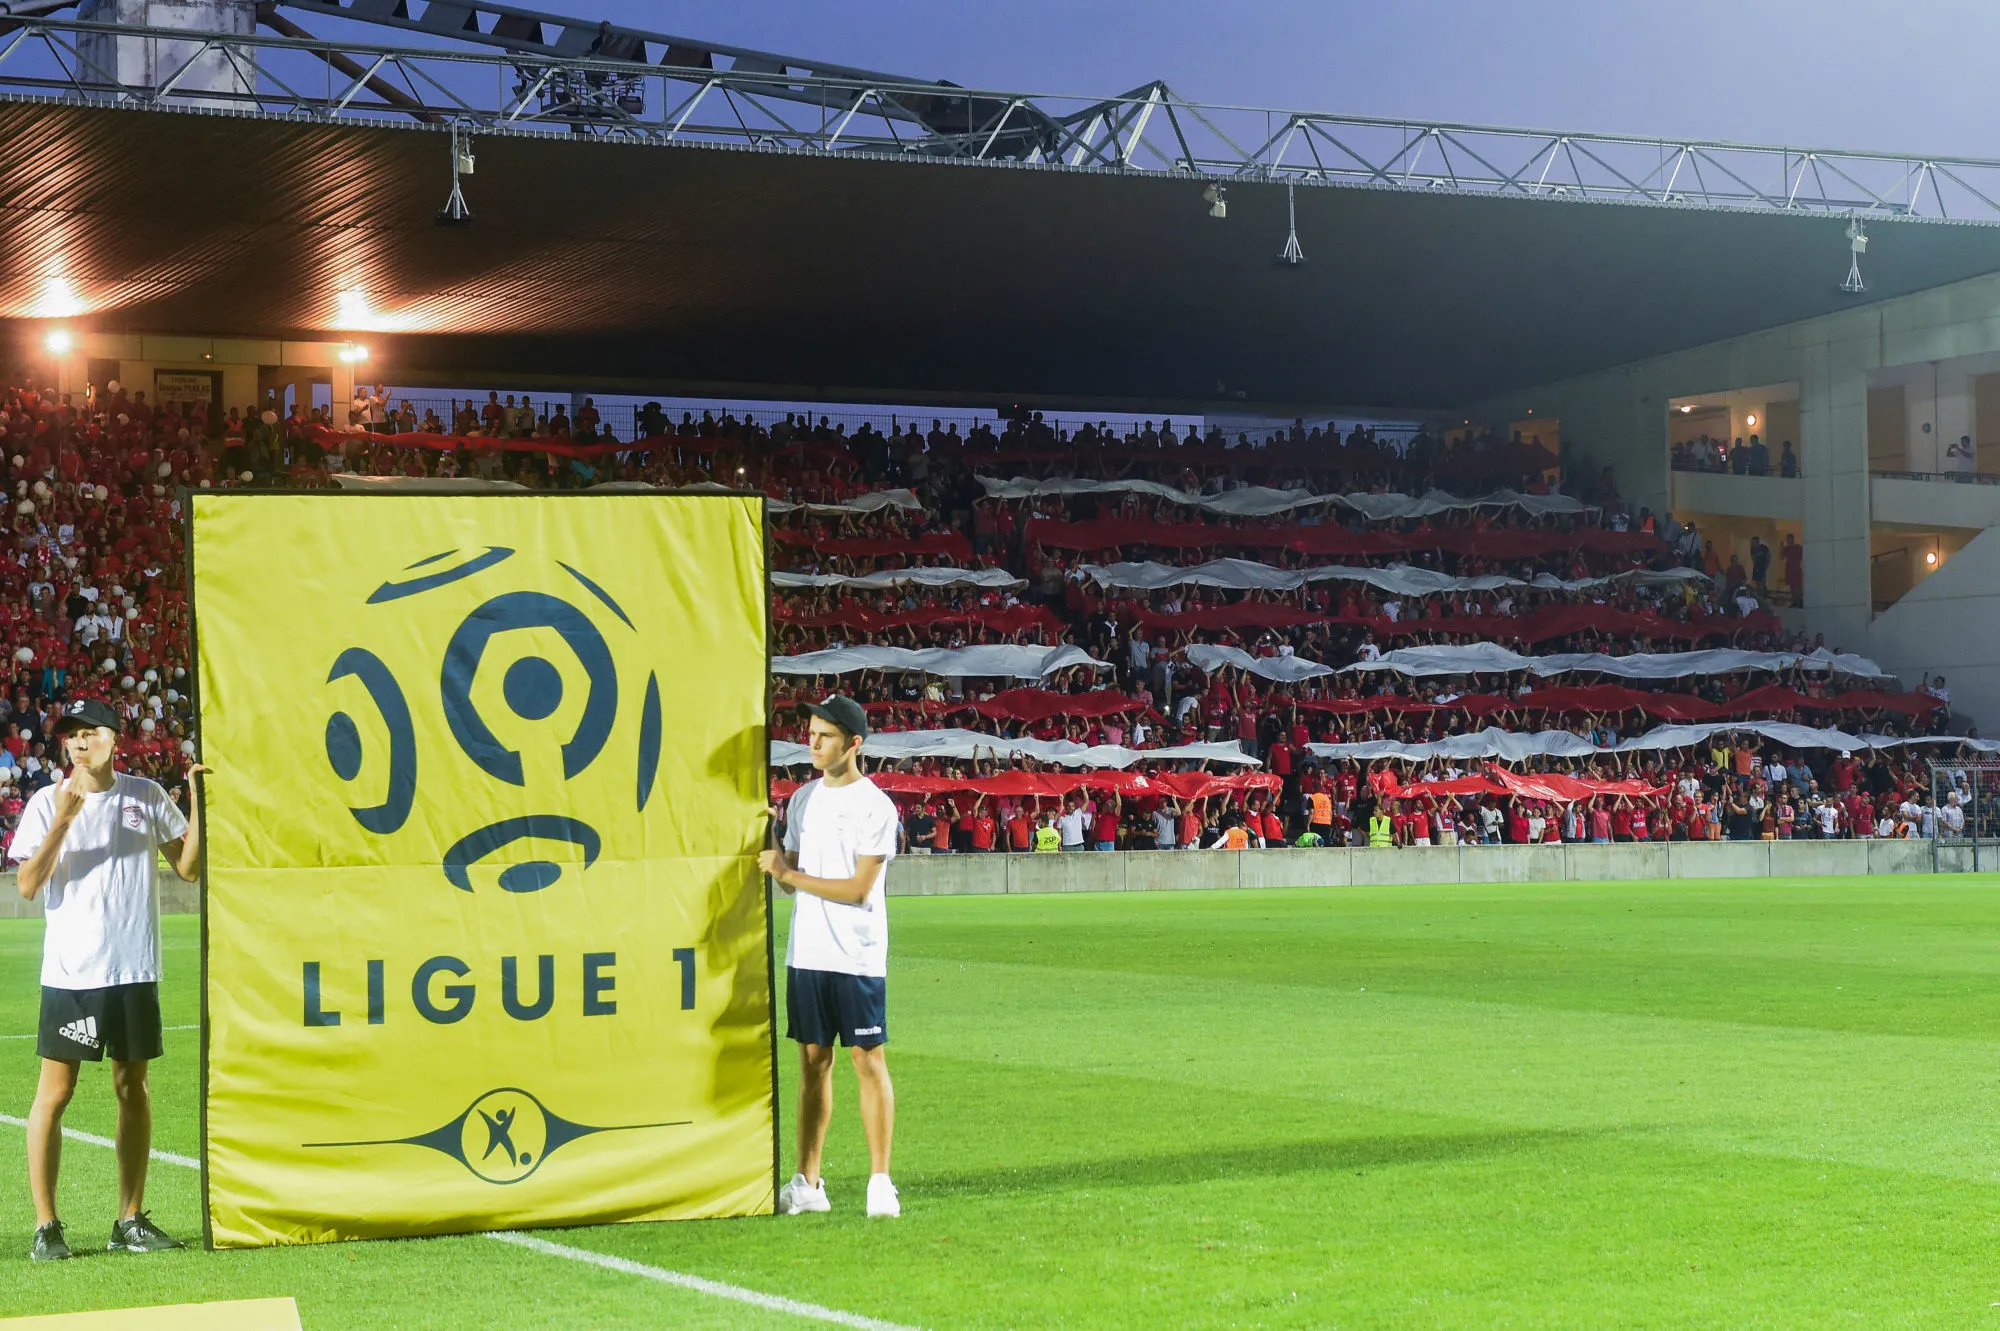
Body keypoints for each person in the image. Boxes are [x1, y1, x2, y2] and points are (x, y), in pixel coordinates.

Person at [15, 698, 207, 1262]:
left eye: (89, 732)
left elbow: (189, 868)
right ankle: (46, 1227)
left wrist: (198, 804)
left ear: (114, 739)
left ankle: (129, 1219)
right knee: (55, 1094)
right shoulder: (46, 802)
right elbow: (27, 884)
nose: (79, 741)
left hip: (134, 970)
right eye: (70, 734)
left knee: (133, 1090)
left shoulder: (145, 795)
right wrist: (66, 821)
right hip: (73, 973)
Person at [758, 695, 902, 1221]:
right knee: (813, 1063)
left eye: (825, 736)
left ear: (854, 743)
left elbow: (861, 888)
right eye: (811, 733)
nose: (812, 743)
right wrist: (772, 833)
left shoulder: (875, 806)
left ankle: (880, 1182)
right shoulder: (802, 799)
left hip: (858, 955)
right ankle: (808, 1183)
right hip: (809, 952)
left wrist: (787, 874)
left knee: (868, 1060)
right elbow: (790, 871)